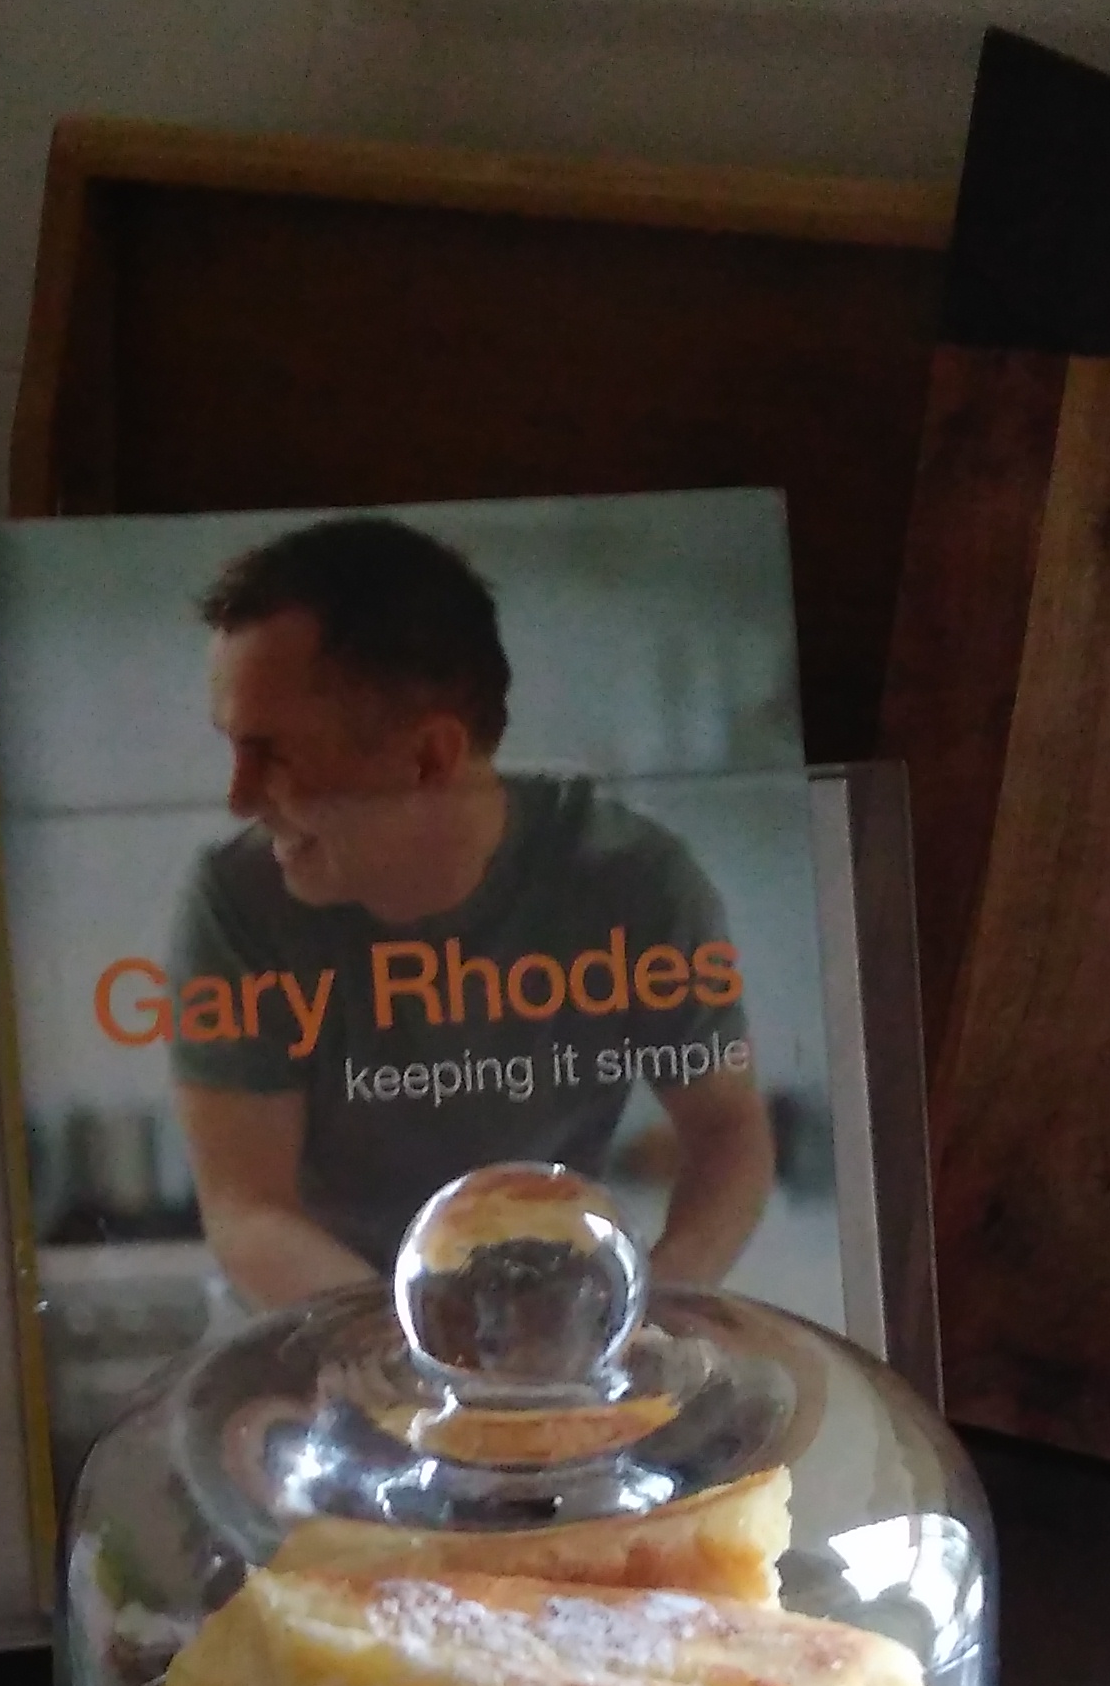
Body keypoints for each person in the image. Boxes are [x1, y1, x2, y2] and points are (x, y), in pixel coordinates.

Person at [166, 517, 775, 1304]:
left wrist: (653, 1309)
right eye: (233, 746)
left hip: (553, 1318)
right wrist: (421, 1345)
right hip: (316, 1326)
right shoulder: (234, 901)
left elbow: (728, 1133)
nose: (238, 797)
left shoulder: (635, 881)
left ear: (429, 758)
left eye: (273, 753)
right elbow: (250, 1208)